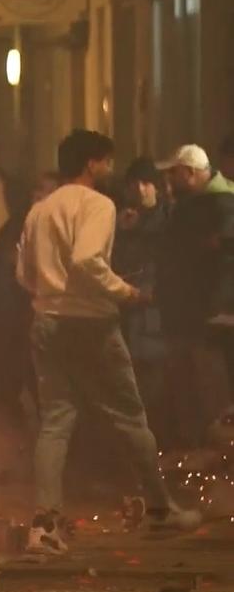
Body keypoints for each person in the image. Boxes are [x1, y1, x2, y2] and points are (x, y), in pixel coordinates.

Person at [15, 129, 199, 554]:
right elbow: (86, 260)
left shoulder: (40, 211)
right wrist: (127, 293)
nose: (111, 170)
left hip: (46, 319)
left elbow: (23, 273)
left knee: (56, 421)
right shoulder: (99, 205)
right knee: (129, 418)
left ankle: (44, 524)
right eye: (108, 162)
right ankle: (160, 508)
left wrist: (48, 292)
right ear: (93, 163)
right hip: (91, 323)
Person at [154, 143, 234, 451]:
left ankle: (214, 459)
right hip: (195, 312)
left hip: (206, 314)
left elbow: (204, 255)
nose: (168, 180)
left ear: (189, 173)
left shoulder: (217, 203)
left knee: (208, 391)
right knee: (196, 388)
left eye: (173, 173)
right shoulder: (200, 202)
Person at [0, 172, 58, 447]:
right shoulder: (15, 226)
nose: (38, 196)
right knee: (3, 388)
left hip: (43, 322)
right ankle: (15, 449)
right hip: (10, 324)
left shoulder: (64, 226)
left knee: (46, 395)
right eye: (36, 190)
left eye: (46, 191)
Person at [113, 158, 173, 448]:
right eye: (134, 184)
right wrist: (122, 231)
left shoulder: (169, 218)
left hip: (155, 313)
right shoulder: (124, 221)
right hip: (128, 312)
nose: (140, 189)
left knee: (156, 384)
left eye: (146, 183)